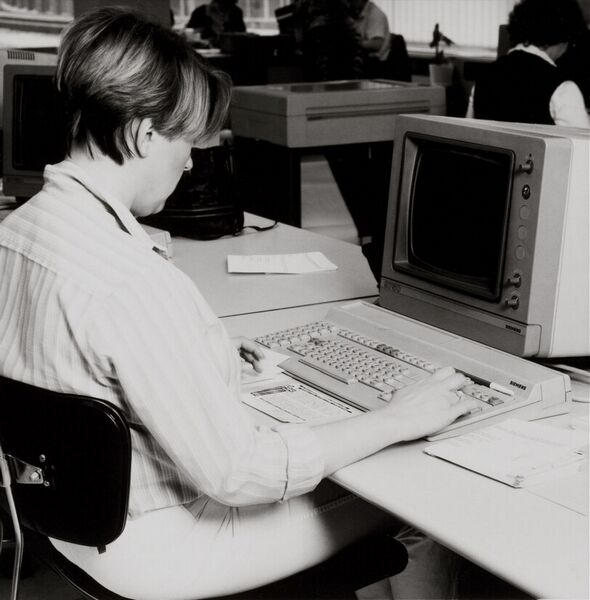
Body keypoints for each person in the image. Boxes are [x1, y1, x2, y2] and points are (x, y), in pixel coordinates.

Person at [0, 8, 477, 600]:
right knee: (421, 498)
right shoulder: (134, 281)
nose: (190, 161)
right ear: (144, 135)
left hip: (63, 524)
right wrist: (396, 418)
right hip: (163, 549)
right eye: (186, 140)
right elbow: (239, 472)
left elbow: (74, 365)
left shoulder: (15, 233)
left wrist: (200, 356)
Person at [466, 0, 590, 127]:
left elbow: (469, 133)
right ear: (562, 37)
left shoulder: (483, 78)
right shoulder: (563, 88)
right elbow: (583, 139)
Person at [350, 0, 391, 78]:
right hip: (362, 62)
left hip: (376, 66)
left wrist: (355, 43)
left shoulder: (376, 14)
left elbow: (376, 44)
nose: (348, 3)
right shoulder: (357, 13)